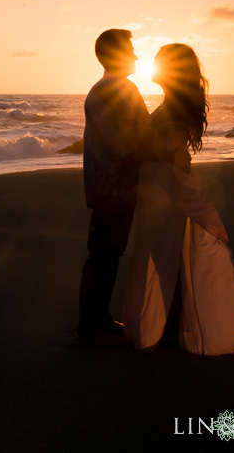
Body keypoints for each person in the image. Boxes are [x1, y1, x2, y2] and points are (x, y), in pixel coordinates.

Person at [122, 44, 234, 355]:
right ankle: (169, 324)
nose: (151, 65)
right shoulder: (172, 103)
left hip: (170, 186)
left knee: (164, 253)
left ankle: (167, 326)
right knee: (166, 253)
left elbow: (168, 151)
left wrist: (132, 149)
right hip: (162, 184)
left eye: (157, 61)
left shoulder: (176, 108)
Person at [78, 29, 149, 346]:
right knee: (103, 252)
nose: (135, 56)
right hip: (111, 186)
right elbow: (123, 144)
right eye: (130, 50)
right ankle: (91, 325)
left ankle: (98, 319)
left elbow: (141, 132)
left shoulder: (124, 88)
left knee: (110, 253)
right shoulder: (107, 92)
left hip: (120, 185)